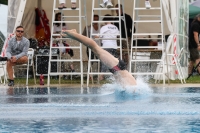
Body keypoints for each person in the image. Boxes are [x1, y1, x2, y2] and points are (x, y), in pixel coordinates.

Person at [61, 29, 137, 86]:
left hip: (117, 68)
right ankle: (73, 34)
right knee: (95, 47)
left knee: (95, 48)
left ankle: (74, 34)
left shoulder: (132, 87)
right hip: (117, 68)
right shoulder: (132, 88)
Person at [94, 14, 119, 80]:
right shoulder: (115, 27)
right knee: (113, 61)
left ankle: (101, 76)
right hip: (114, 46)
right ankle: (116, 76)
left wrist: (94, 36)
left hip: (106, 46)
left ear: (105, 21)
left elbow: (99, 36)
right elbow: (117, 35)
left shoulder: (104, 28)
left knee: (104, 61)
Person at [53, 12, 75, 79]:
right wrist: (60, 35)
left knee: (67, 56)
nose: (60, 19)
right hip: (57, 44)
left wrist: (61, 36)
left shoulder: (65, 25)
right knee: (63, 56)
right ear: (56, 18)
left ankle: (70, 71)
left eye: (61, 17)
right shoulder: (55, 25)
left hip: (63, 44)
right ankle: (70, 71)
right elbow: (54, 35)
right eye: (59, 17)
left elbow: (67, 34)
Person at [188, 14, 200, 79]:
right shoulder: (196, 25)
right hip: (193, 45)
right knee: (198, 59)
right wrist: (198, 44)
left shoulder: (195, 24)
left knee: (192, 60)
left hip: (191, 44)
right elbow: (195, 35)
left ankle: (188, 74)